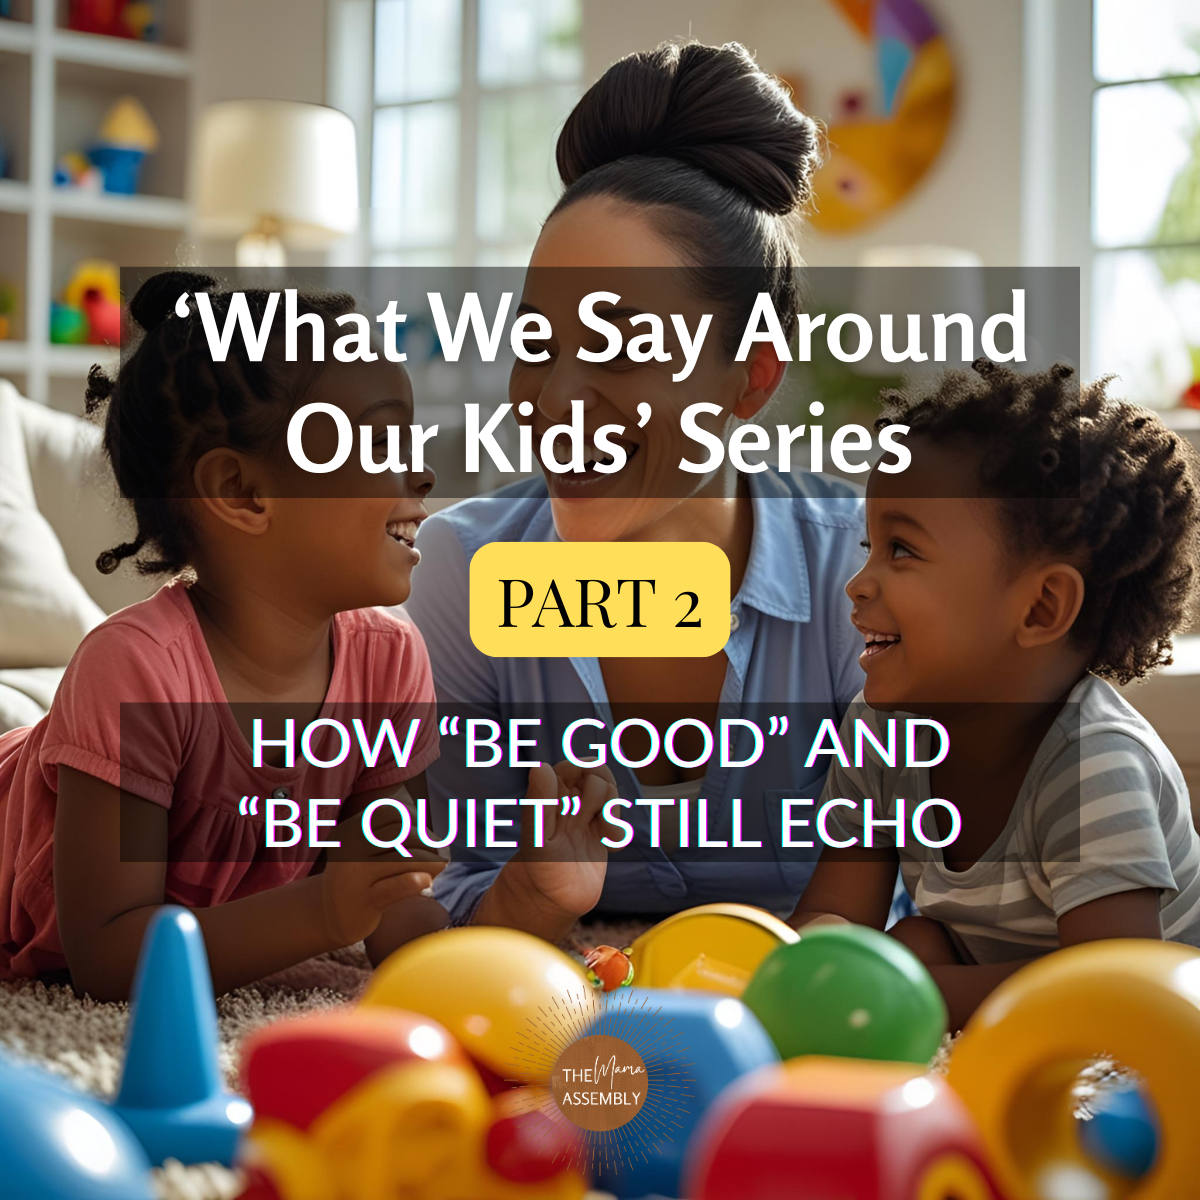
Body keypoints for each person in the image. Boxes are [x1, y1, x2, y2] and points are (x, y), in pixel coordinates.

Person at [404, 41, 873, 938]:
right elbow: (442, 884)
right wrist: (527, 898)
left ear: (751, 380)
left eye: (620, 347)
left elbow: (937, 886)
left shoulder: (860, 569)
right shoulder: (460, 571)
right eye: (537, 344)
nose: (554, 404)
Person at [0, 271, 449, 998]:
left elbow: (396, 915)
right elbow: (107, 959)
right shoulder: (136, 672)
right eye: (379, 442)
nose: (422, 474)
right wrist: (326, 907)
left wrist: (529, 900)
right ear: (242, 493)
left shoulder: (390, 662)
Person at [791, 360, 1200, 1029]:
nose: (857, 584)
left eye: (901, 551)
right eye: (869, 546)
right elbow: (835, 914)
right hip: (989, 954)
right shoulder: (879, 729)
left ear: (1040, 608)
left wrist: (907, 994)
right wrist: (796, 960)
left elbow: (1111, 988)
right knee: (907, 944)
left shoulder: (1094, 762)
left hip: (1154, 1006)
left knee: (909, 963)